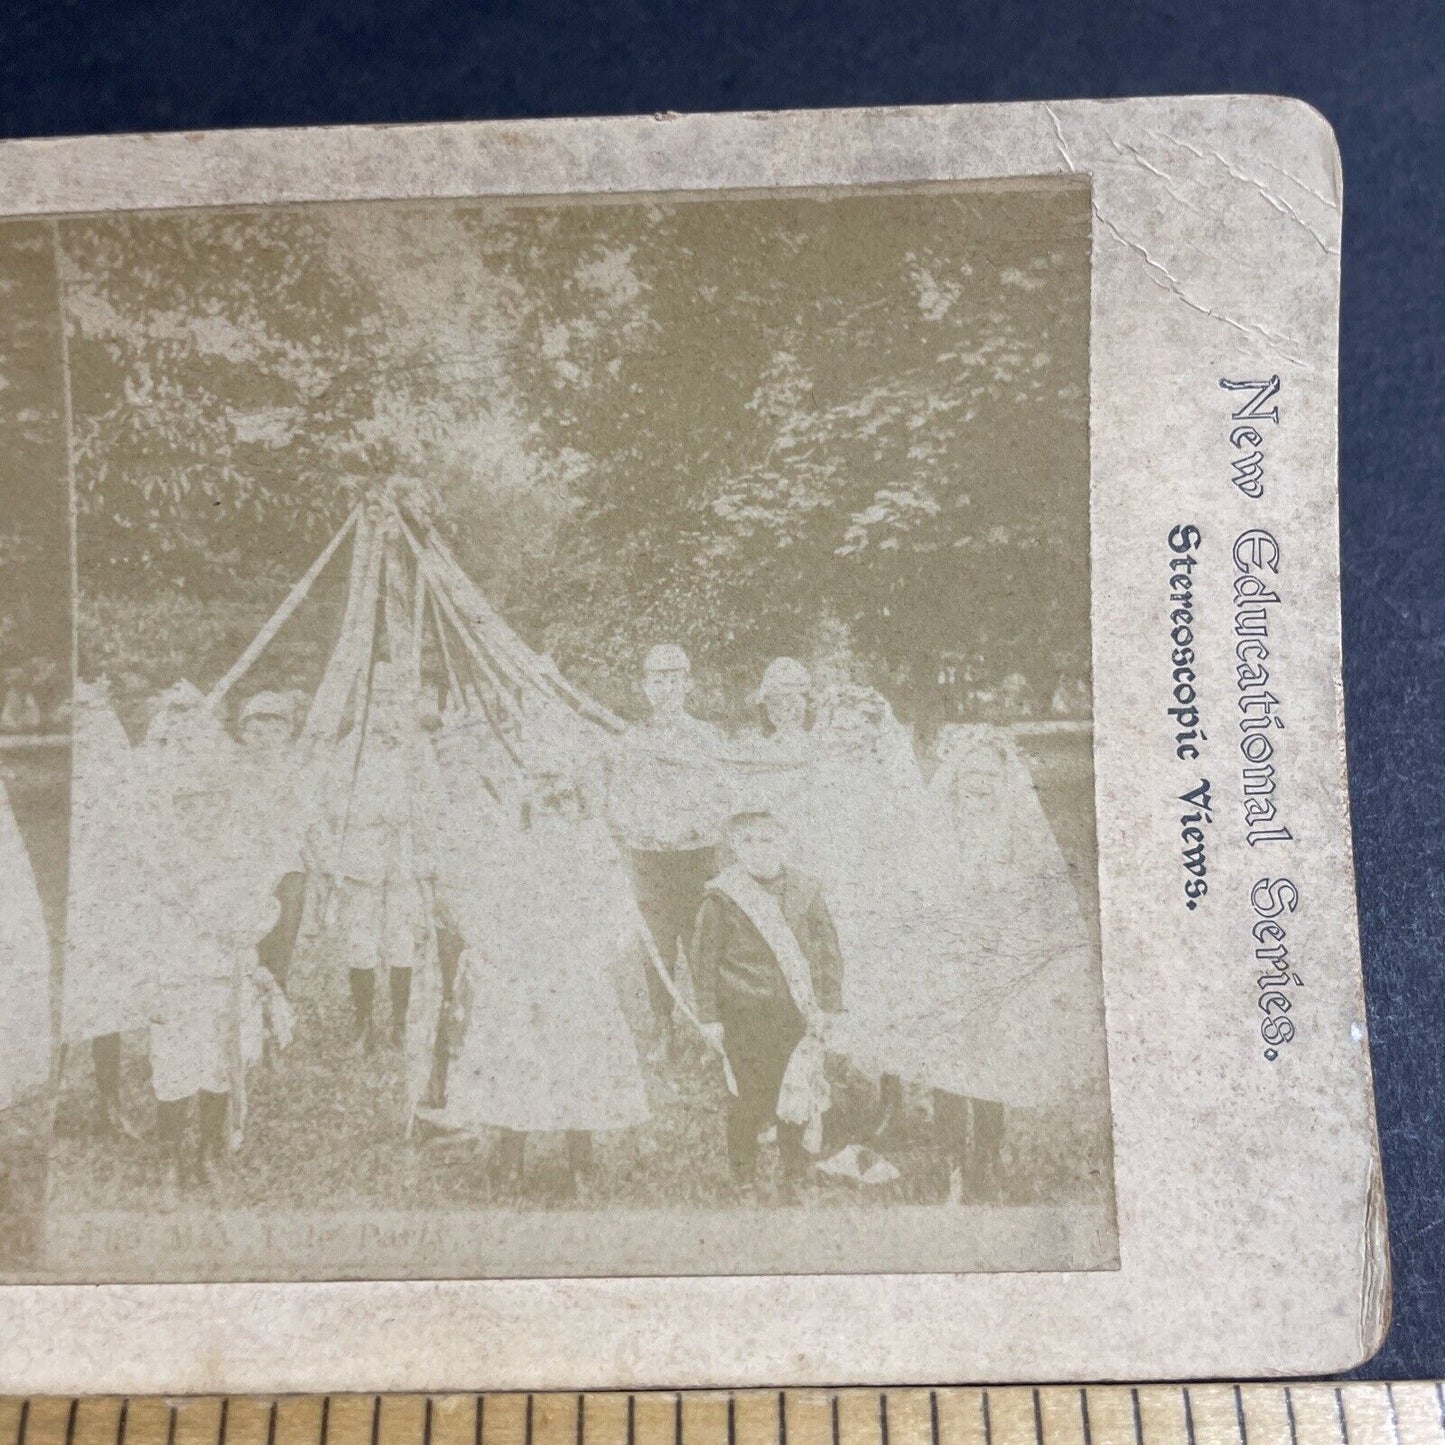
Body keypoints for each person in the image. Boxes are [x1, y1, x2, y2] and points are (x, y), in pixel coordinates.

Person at [421, 756, 650, 1201]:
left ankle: (580, 1157)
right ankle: (511, 1159)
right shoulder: (508, 848)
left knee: (580, 1061)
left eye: (563, 797)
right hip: (519, 973)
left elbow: (618, 913)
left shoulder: (593, 849)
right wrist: (494, 950)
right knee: (517, 1060)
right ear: (526, 801)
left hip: (577, 972)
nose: (554, 806)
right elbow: (482, 908)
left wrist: (594, 951)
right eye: (544, 797)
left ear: (577, 801)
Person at [927, 723, 1101, 1201]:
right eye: (970, 774)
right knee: (944, 1058)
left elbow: (1039, 890)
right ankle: (949, 1162)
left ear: (1002, 781)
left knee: (989, 1058)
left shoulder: (1015, 831)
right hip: (946, 957)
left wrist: (1005, 886)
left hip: (996, 957)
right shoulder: (936, 826)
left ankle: (984, 1158)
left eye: (988, 775)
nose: (978, 784)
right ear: (955, 777)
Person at [691, 796, 845, 1203]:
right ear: (735, 847)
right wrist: (708, 1015)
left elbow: (827, 950)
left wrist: (830, 1004)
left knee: (794, 1097)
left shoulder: (806, 890)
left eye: (769, 839)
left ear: (784, 841)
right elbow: (703, 962)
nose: (761, 848)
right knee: (747, 1100)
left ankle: (794, 1176)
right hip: (744, 1015)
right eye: (750, 841)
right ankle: (743, 1178)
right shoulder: (722, 897)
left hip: (795, 1014)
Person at [311, 662, 442, 1057]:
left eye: (391, 701)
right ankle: (363, 1025)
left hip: (402, 856)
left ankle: (400, 1027)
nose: (384, 710)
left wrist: (414, 821)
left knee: (402, 942)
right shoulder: (348, 751)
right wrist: (369, 815)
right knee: (362, 942)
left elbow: (434, 801)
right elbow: (333, 804)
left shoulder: (418, 750)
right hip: (363, 854)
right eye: (376, 701)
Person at [606, 643, 726, 1060]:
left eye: (675, 679)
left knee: (703, 943)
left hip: (696, 855)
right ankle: (664, 1028)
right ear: (645, 687)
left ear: (688, 684)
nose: (667, 688)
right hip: (651, 858)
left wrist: (695, 827)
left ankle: (713, 1030)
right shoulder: (632, 741)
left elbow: (721, 798)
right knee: (657, 945)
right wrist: (641, 830)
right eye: (658, 680)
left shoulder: (707, 738)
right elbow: (618, 800)